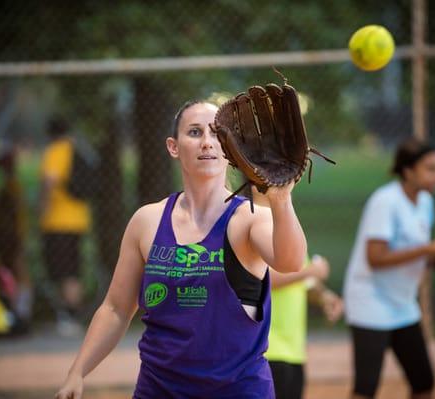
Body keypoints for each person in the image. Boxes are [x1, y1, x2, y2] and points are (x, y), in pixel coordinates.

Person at [55, 100, 308, 399]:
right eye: (195, 132)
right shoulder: (147, 221)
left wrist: (281, 201)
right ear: (174, 147)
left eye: (217, 133)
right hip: (160, 389)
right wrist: (77, 371)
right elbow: (116, 308)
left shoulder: (249, 218)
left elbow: (291, 262)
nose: (207, 142)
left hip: (238, 390)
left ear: (231, 147)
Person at [342, 138, 435, 399]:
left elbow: (416, 252)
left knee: (423, 382)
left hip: (403, 305)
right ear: (408, 170)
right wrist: (429, 250)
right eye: (430, 168)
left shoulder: (425, 202)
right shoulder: (386, 201)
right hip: (371, 303)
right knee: (366, 388)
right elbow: (375, 258)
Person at [250, 185, 344, 399]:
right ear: (256, 184)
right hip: (267, 348)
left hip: (294, 350)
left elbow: (306, 283)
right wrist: (310, 271)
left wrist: (324, 298)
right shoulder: (249, 220)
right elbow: (262, 280)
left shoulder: (286, 226)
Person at [39, 117, 91, 336]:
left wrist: (42, 207)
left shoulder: (56, 151)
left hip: (58, 221)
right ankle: (72, 317)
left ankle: (70, 318)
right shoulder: (78, 150)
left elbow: (50, 180)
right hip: (78, 219)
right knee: (73, 270)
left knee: (64, 271)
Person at [0, 141, 32, 322]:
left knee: (19, 270)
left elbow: (12, 214)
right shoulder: (9, 185)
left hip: (13, 234)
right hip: (10, 234)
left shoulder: (11, 186)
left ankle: (22, 311)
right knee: (12, 271)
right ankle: (18, 309)